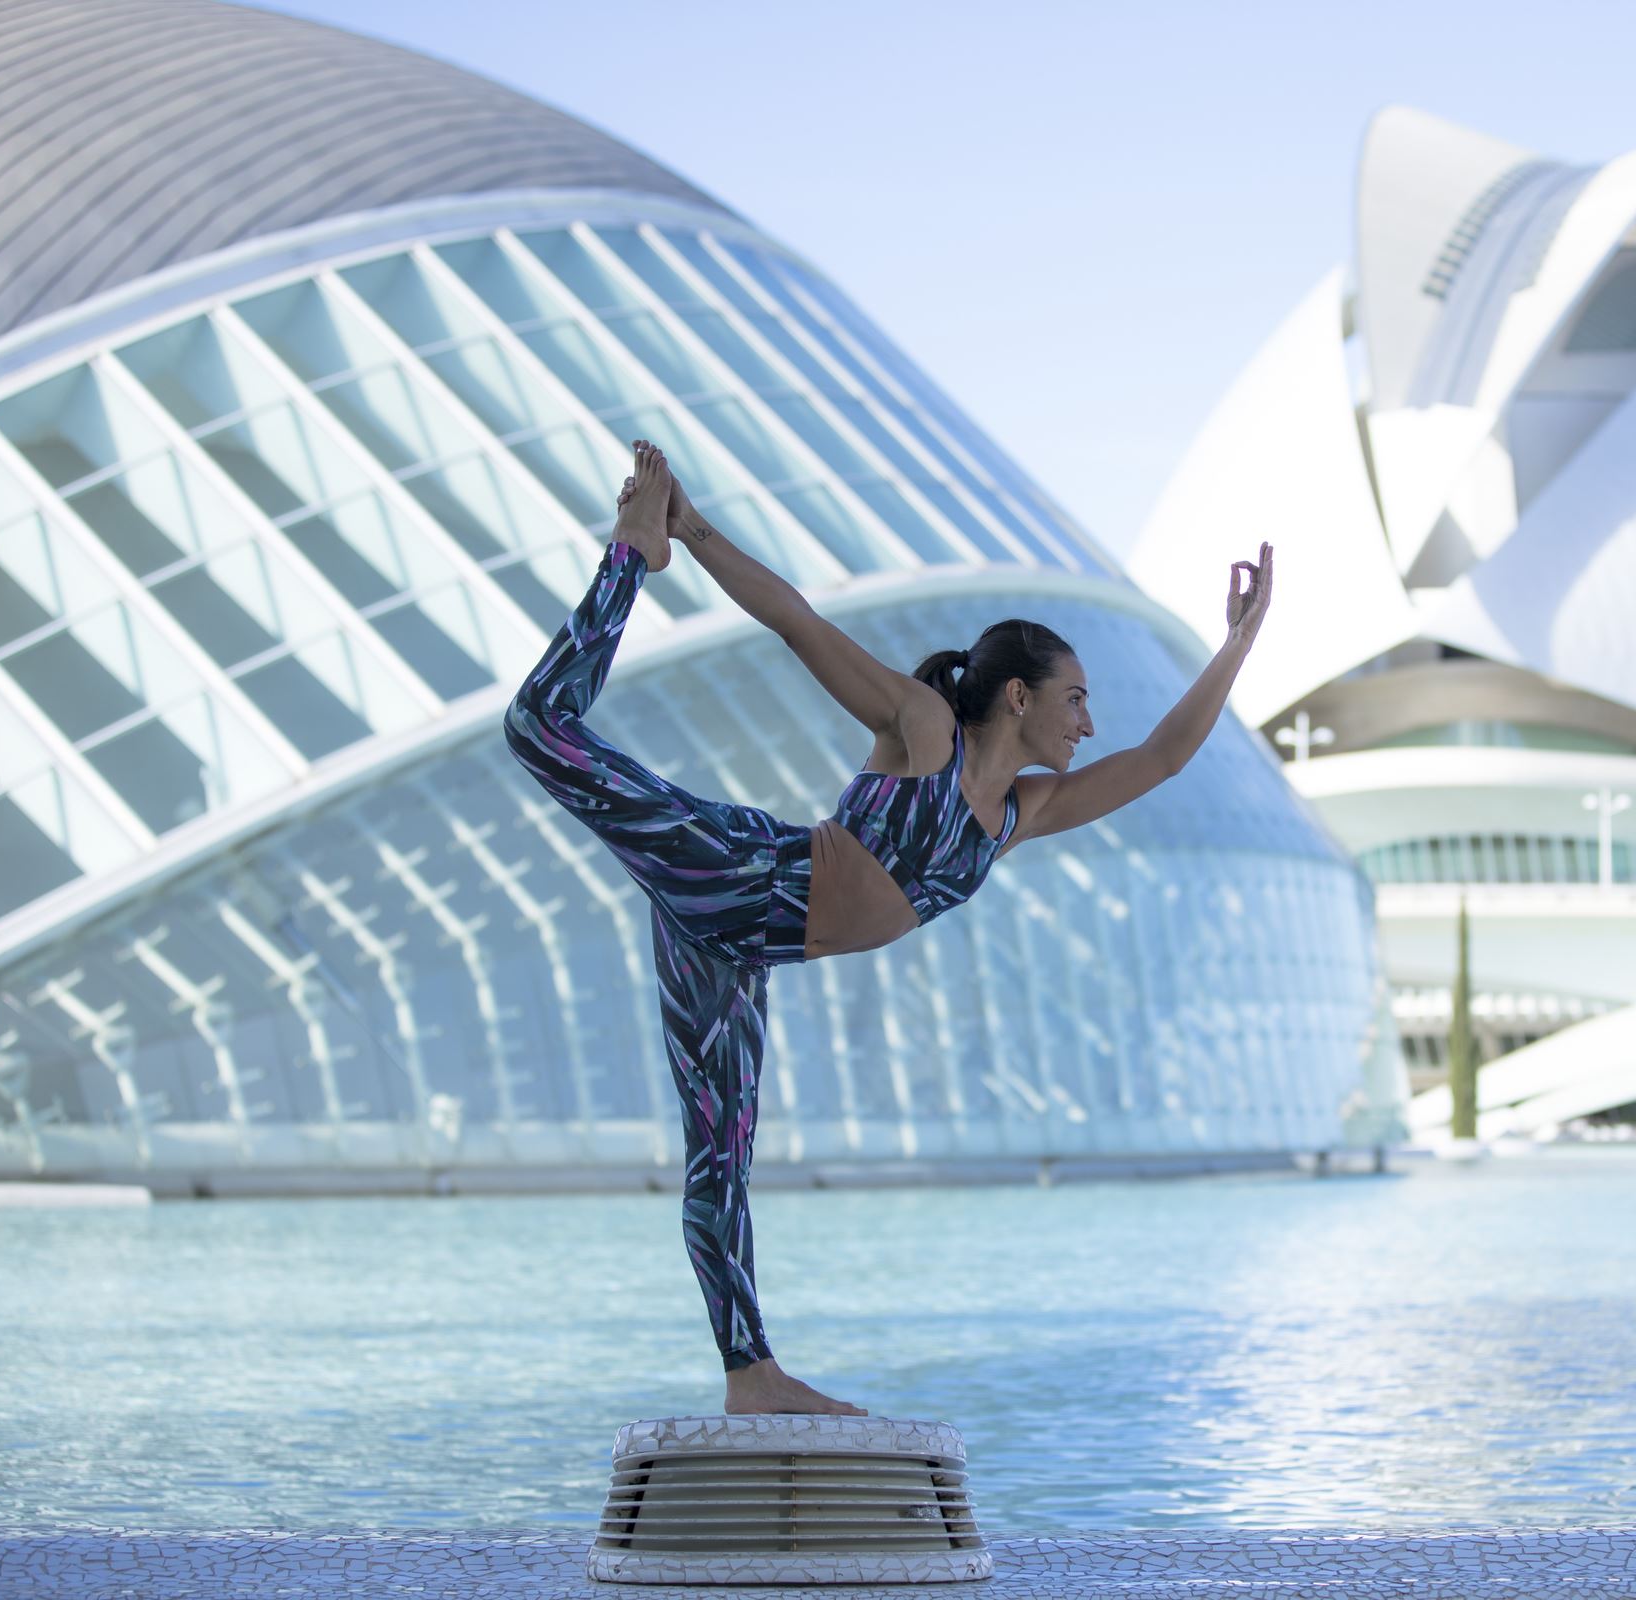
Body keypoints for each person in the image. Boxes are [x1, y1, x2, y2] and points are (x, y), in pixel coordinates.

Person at [503, 441, 1273, 1416]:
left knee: (721, 1160)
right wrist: (687, 532)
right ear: (1019, 695)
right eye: (1075, 699)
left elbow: (1162, 757)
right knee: (538, 727)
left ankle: (753, 1377)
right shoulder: (925, 729)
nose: (1087, 722)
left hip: (736, 942)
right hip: (738, 868)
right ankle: (630, 559)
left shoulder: (1017, 815)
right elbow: (795, 620)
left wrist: (1239, 641)